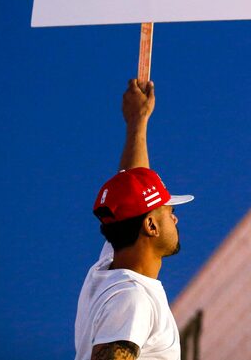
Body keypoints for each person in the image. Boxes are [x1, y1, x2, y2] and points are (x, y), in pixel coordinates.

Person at [74, 79, 194, 360]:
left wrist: (137, 122)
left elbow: (131, 185)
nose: (175, 220)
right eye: (170, 212)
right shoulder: (132, 297)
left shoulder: (110, 267)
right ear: (150, 226)